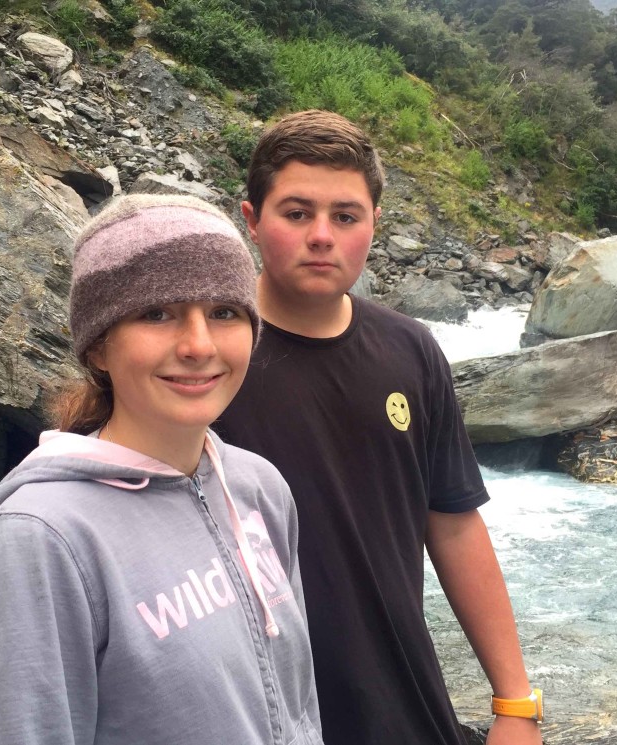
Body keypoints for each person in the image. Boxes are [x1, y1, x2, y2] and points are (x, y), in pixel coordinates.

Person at [214, 110, 543, 745]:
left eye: (345, 216)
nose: (321, 236)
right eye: (296, 213)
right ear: (252, 221)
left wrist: (515, 703)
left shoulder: (410, 348)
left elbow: (451, 522)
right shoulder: (210, 359)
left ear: (373, 226)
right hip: (261, 712)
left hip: (402, 701)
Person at [0, 195, 323, 745]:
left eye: (223, 312)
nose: (199, 345)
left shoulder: (257, 487)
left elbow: (299, 706)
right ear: (99, 346)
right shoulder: (38, 540)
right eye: (157, 313)